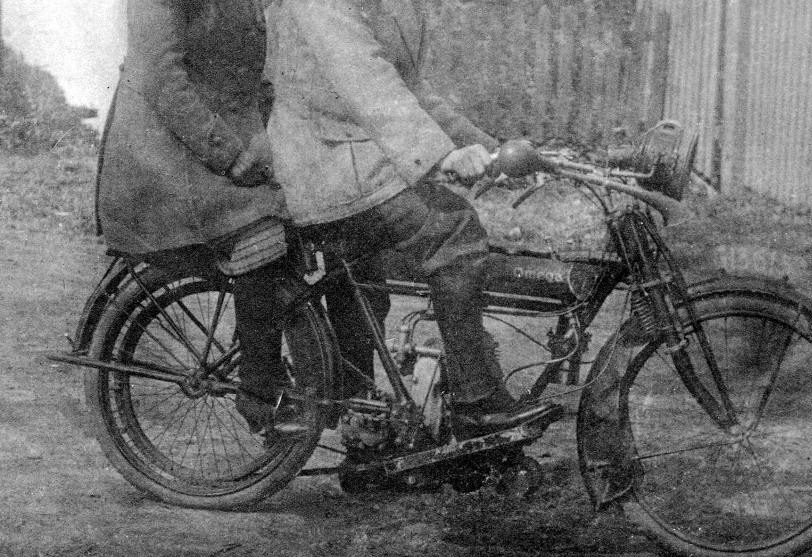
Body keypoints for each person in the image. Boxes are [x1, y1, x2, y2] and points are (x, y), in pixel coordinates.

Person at [263, 0, 556, 435]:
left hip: (354, 160)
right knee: (452, 229)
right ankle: (476, 402)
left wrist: (489, 148)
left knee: (366, 286)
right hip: (322, 163)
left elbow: (411, 90)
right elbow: (369, 81)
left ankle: (364, 430)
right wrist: (443, 154)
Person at [95, 0, 299, 434]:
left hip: (210, 154)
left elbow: (254, 79)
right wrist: (229, 156)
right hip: (162, 162)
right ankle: (261, 394)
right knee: (258, 236)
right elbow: (163, 81)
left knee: (310, 225)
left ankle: (337, 398)